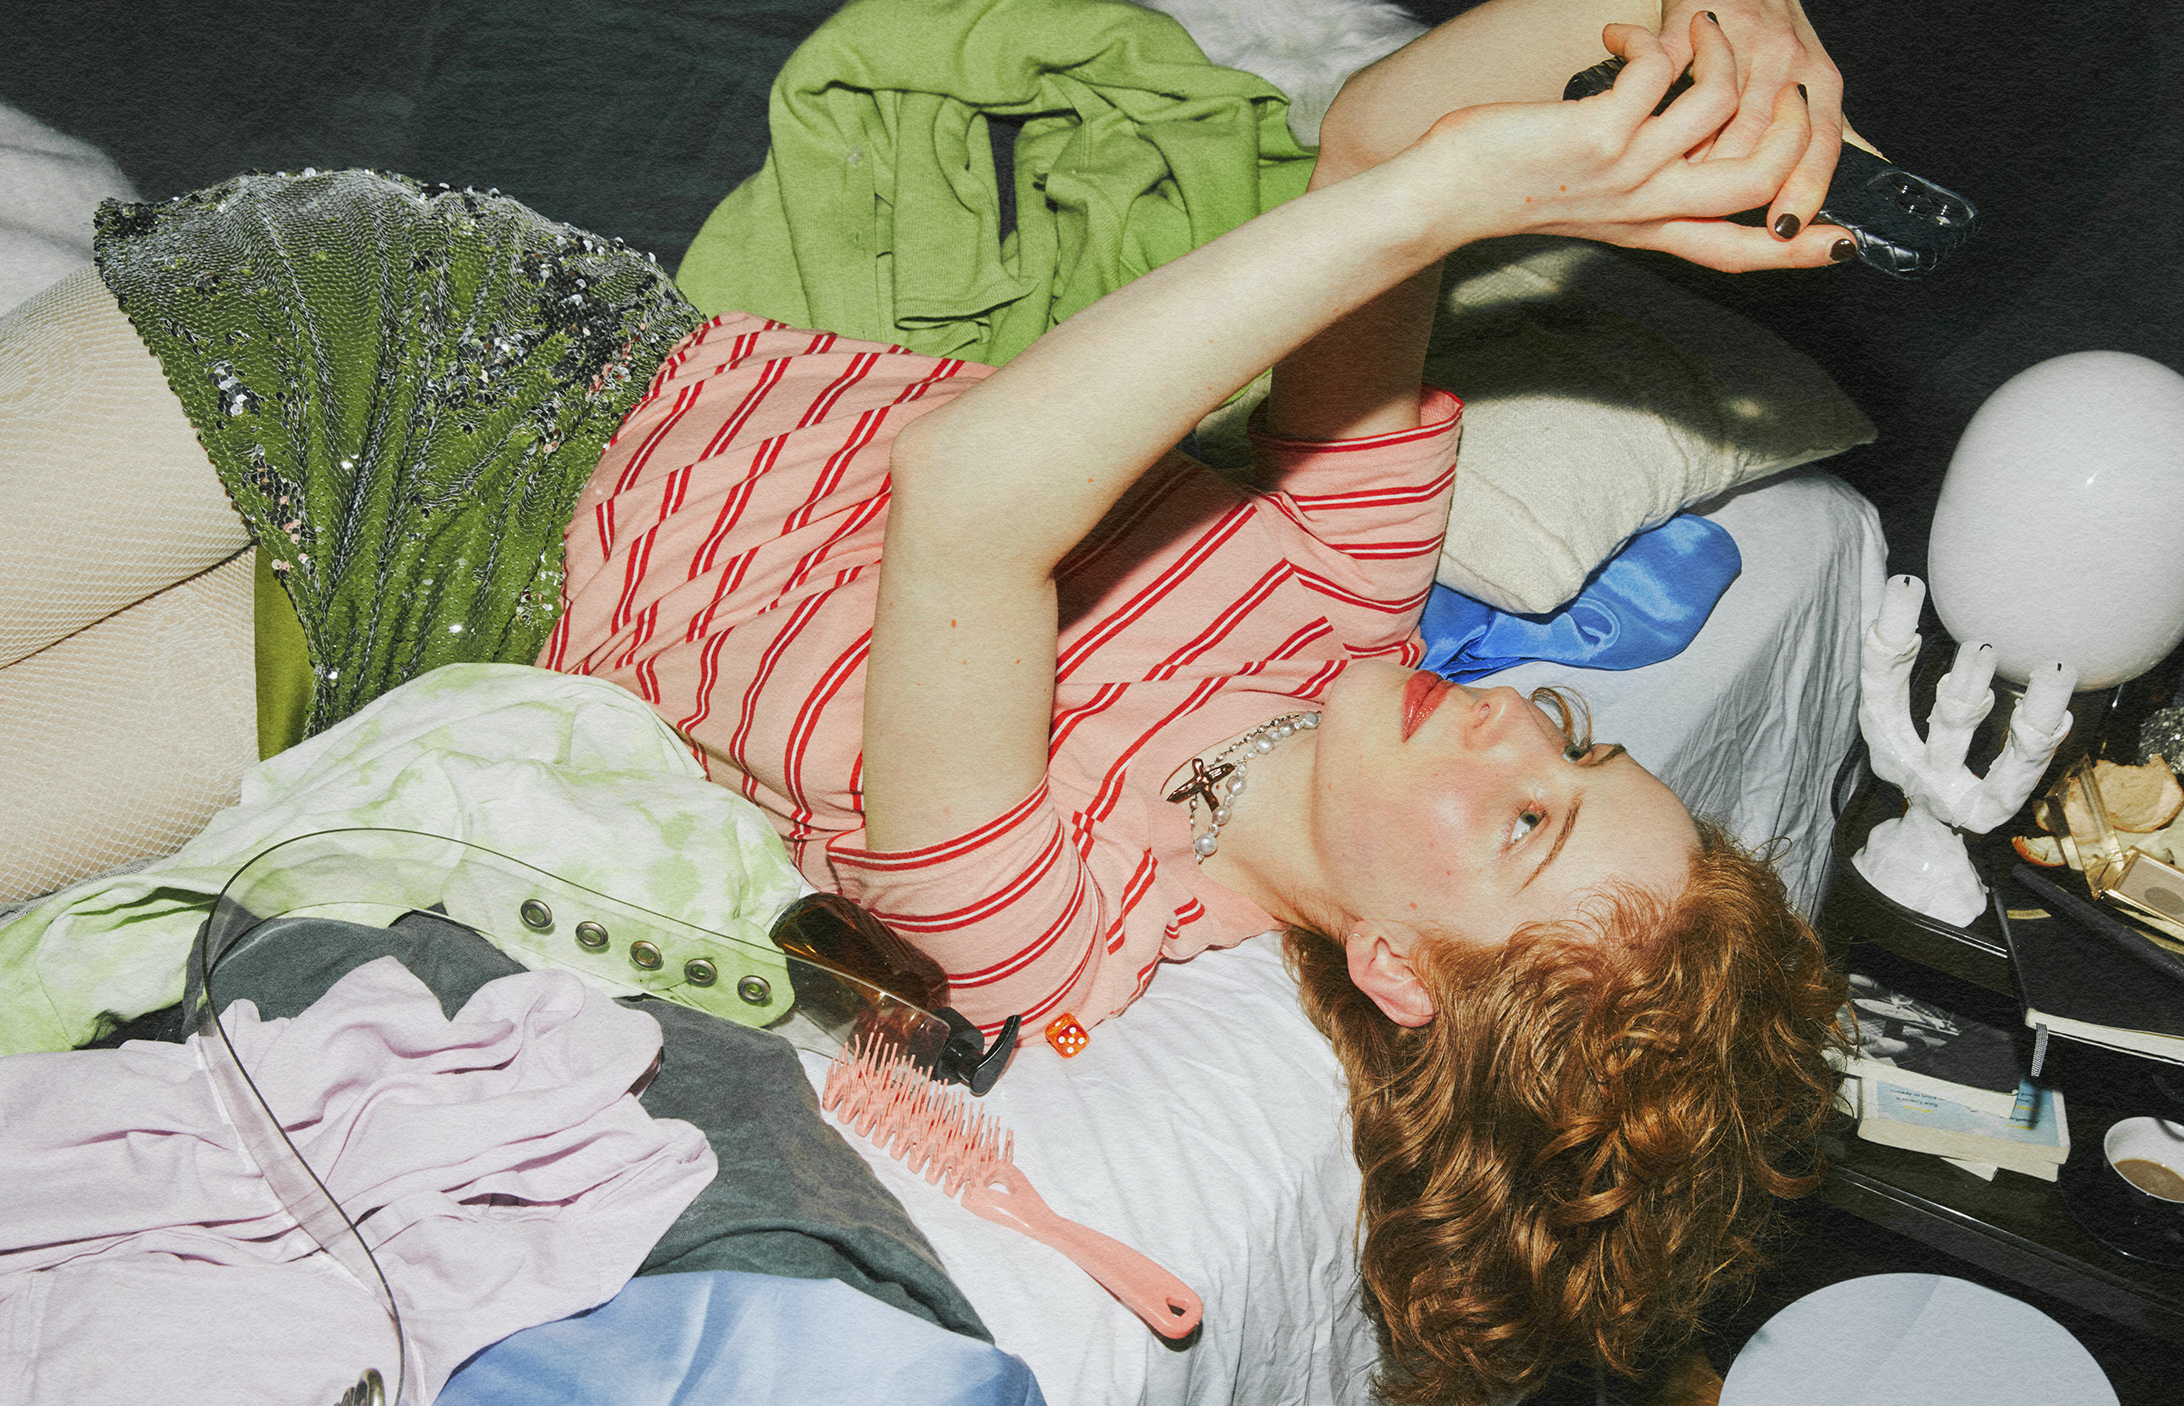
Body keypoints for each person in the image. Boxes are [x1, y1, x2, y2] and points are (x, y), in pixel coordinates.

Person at [1, 1, 1850, 1398]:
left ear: (1395, 967)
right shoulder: (1342, 589)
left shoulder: (1034, 931)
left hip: (358, 647)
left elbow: (969, 503)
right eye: (1584, 742)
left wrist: (1468, 198)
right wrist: (1678, 21)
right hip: (438, 357)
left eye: (1530, 821)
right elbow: (1377, 139)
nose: (1525, 715)